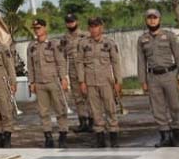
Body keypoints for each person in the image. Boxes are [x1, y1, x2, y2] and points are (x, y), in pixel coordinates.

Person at [137, 9, 179, 148]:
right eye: (149, 18)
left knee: (175, 105)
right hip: (153, 77)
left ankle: (177, 135)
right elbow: (141, 61)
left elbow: (178, 56)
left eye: (155, 17)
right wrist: (143, 80)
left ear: (160, 19)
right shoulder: (142, 39)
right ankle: (164, 135)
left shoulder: (169, 36)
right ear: (146, 20)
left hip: (169, 74)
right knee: (157, 108)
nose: (152, 20)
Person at [79, 18, 122, 148]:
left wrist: (118, 81)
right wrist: (82, 81)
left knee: (110, 109)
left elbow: (115, 62)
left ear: (101, 28)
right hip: (90, 82)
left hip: (106, 81)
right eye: (91, 26)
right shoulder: (83, 44)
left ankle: (114, 137)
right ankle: (100, 138)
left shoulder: (109, 43)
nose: (93, 29)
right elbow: (79, 63)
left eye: (96, 26)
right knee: (95, 111)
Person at [27, 20, 70, 149]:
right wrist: (32, 82)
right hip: (40, 83)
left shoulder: (54, 44)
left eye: (39, 28)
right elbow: (30, 66)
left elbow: (60, 62)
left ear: (45, 28)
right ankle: (48, 137)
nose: (36, 30)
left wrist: (63, 78)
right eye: (35, 28)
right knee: (43, 112)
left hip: (54, 81)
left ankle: (63, 135)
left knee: (60, 109)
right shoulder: (32, 46)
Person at [59, 14, 93, 135]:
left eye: (72, 21)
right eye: (68, 22)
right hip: (73, 70)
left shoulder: (86, 35)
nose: (70, 24)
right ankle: (82, 121)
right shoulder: (64, 39)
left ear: (77, 21)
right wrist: (63, 76)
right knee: (78, 98)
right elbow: (62, 58)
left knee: (89, 96)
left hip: (86, 68)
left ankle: (93, 121)